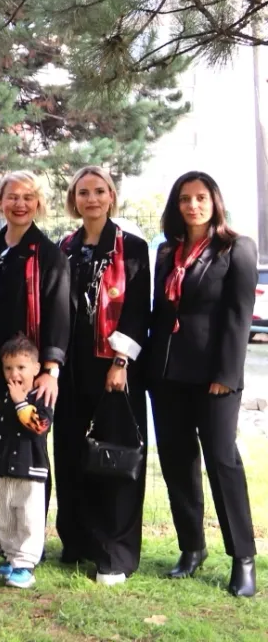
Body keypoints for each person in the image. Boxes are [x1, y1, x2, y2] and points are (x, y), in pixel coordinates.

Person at [148, 171, 257, 597]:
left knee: (222, 462)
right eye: (184, 199)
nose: (192, 206)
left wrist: (226, 375)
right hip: (167, 377)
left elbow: (238, 316)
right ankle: (191, 547)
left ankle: (242, 558)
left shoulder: (236, 248)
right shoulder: (167, 251)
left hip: (214, 379)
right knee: (177, 463)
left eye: (200, 198)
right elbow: (159, 314)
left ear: (214, 202)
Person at [54, 167, 150, 585]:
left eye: (98, 191)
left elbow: (138, 310)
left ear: (111, 195)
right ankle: (77, 541)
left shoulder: (132, 247)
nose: (91, 199)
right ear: (73, 199)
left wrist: (121, 361)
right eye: (83, 192)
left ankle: (115, 554)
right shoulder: (66, 247)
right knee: (71, 453)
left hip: (114, 367)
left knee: (114, 457)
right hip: (71, 367)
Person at [0, 171, 69, 569]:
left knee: (31, 453)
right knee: (2, 450)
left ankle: (32, 545)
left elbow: (59, 314)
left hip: (29, 369)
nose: (20, 204)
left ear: (38, 203)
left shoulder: (49, 254)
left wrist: (49, 369)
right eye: (12, 196)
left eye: (28, 197)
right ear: (0, 202)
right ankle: (8, 539)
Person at [0, 335, 53, 590]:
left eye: (21, 367)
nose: (14, 373)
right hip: (5, 472)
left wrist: (21, 400)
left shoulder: (40, 398)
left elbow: (39, 426)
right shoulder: (2, 400)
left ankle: (25, 565)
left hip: (30, 472)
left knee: (28, 520)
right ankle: (11, 558)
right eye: (8, 368)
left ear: (36, 368)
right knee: (6, 519)